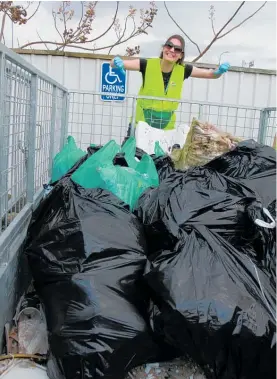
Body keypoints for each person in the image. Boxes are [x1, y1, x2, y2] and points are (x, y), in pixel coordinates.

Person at [111, 34, 230, 133]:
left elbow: (211, 75)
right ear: (163, 48)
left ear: (181, 55)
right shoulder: (147, 64)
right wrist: (116, 62)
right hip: (140, 127)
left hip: (166, 131)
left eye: (177, 49)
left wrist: (218, 72)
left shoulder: (183, 70)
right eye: (169, 46)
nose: (172, 50)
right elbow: (113, 63)